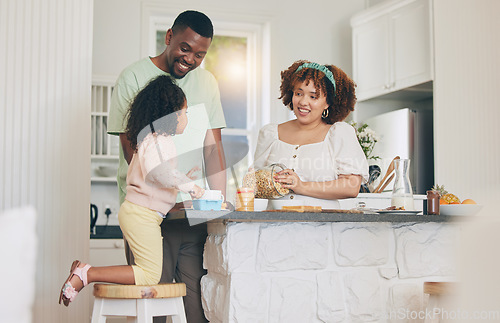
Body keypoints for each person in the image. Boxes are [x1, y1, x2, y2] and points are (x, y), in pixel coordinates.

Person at [107, 10, 226, 322]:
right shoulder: (132, 77)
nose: (190, 59)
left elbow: (213, 148)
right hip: (148, 215)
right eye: (185, 48)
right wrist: (172, 191)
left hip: (191, 215)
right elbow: (133, 148)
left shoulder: (208, 82)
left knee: (198, 305)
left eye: (200, 54)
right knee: (154, 303)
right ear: (169, 37)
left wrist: (217, 203)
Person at [59, 75, 205, 306]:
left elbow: (160, 174)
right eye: (185, 112)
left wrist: (185, 178)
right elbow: (158, 172)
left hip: (142, 214)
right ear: (172, 114)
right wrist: (190, 186)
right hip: (142, 215)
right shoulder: (158, 140)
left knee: (148, 272)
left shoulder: (154, 140)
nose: (186, 118)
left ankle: (86, 272)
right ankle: (87, 273)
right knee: (149, 274)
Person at [253, 60, 369, 208]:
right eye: (298, 93)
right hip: (275, 227)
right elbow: (256, 184)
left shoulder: (339, 134)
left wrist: (301, 186)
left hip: (322, 227)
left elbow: (351, 187)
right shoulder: (270, 134)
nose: (303, 102)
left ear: (327, 102)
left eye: (313, 97)